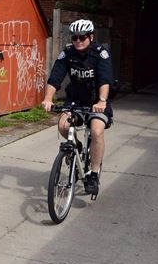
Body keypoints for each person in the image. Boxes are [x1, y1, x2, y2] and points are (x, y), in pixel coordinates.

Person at [41, 19, 114, 196]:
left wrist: (102, 101)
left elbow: (105, 80)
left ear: (90, 37)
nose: (78, 41)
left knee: (96, 131)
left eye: (82, 37)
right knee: (63, 126)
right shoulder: (68, 53)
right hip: (75, 100)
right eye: (75, 37)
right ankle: (77, 146)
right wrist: (48, 99)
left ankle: (94, 174)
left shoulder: (100, 54)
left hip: (96, 101)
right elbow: (55, 78)